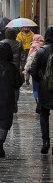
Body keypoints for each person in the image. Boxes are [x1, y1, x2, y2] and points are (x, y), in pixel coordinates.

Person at [30, 26, 53, 155]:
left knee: (44, 115)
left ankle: (46, 142)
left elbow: (33, 71)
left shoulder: (41, 52)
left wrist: (40, 81)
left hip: (45, 88)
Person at [3, 27, 25, 113]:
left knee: (5, 86)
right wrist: (22, 68)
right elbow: (23, 57)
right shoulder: (19, 44)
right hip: (16, 69)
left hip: (4, 69)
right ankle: (14, 102)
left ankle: (7, 103)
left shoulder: (1, 43)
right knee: (16, 87)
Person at [24, 34, 44, 113]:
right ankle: (41, 101)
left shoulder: (34, 46)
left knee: (35, 87)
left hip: (35, 71)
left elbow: (30, 59)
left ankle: (37, 100)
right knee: (42, 87)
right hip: (43, 71)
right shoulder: (43, 46)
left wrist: (26, 69)